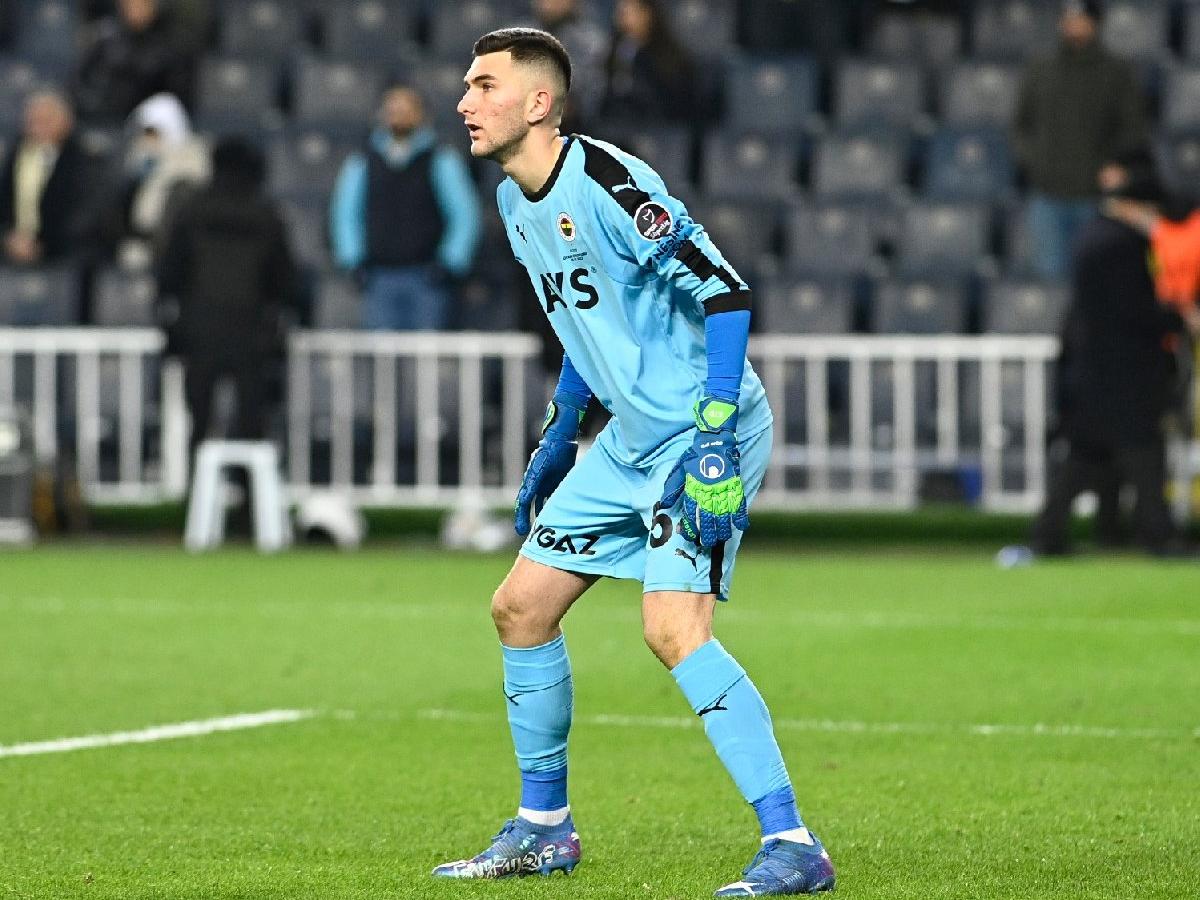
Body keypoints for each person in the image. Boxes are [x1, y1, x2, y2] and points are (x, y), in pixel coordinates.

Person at [434, 28, 835, 896]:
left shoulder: (611, 182)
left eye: (484, 85)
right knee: (520, 609)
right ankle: (544, 828)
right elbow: (589, 323)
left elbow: (727, 294)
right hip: (627, 439)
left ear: (539, 102)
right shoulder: (513, 201)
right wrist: (559, 431)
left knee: (673, 630)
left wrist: (717, 432)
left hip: (702, 427)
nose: (464, 102)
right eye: (467, 85)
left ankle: (793, 844)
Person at [1030, 160, 1200, 556]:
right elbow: (1133, 310)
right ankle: (1157, 535)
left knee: (1084, 457)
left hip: (1096, 370)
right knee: (1143, 454)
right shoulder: (1121, 245)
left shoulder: (1096, 238)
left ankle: (1048, 534)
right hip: (1123, 371)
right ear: (1133, 205)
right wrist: (1178, 318)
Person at [156, 137, 297, 466]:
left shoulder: (191, 211)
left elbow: (170, 270)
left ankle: (197, 488)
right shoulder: (266, 215)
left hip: (200, 326)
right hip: (251, 328)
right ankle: (249, 490)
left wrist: (173, 316)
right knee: (251, 419)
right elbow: (284, 279)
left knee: (200, 417)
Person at [1011, 0, 1147, 279]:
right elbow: (1020, 125)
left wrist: (1118, 164)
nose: (1073, 25)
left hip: (1094, 195)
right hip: (1046, 192)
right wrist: (1035, 162)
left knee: (1094, 277)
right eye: (1068, 18)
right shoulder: (1041, 68)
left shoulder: (1116, 71)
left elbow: (1133, 127)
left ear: (1095, 23)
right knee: (1050, 278)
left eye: (1080, 19)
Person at [329, 84, 481, 331]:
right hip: (379, 277)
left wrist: (450, 263)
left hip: (427, 278)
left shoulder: (441, 160)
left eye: (406, 108)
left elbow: (464, 214)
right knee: (381, 351)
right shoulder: (362, 161)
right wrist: (353, 260)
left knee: (427, 352)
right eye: (392, 109)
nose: (398, 114)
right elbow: (345, 213)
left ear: (421, 114)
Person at [104, 92, 210, 270]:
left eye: (152, 133)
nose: (146, 140)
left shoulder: (192, 160)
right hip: (135, 247)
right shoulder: (138, 161)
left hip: (170, 249)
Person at [0, 90, 96, 267]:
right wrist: (8, 237)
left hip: (61, 254)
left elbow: (82, 213)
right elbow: (4, 199)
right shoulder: (17, 153)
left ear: (65, 123)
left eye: (46, 121)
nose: (37, 127)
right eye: (32, 121)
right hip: (11, 248)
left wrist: (43, 244)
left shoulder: (82, 160)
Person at [73, 0, 195, 126]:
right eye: (130, 2)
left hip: (147, 123)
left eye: (142, 3)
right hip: (99, 119)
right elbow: (79, 83)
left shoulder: (173, 46)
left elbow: (174, 103)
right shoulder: (105, 39)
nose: (135, 8)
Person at [600, 0, 695, 125]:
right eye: (620, 12)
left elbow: (674, 102)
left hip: (661, 126)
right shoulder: (615, 52)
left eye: (627, 12)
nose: (621, 19)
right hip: (619, 125)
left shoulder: (669, 59)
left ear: (647, 14)